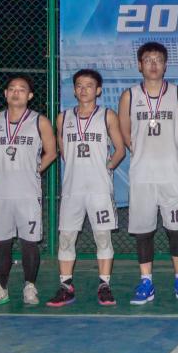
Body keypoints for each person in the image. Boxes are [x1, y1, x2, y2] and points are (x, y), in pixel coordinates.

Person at [118, 41, 178, 304]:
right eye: (148, 60)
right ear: (140, 65)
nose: (153, 64)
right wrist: (140, 151)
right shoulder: (129, 96)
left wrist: (171, 151)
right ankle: (146, 282)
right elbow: (124, 131)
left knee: (176, 229)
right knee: (143, 231)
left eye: (158, 60)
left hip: (170, 173)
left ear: (165, 65)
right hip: (142, 174)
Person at [46, 69, 126, 307]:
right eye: (79, 85)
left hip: (99, 189)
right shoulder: (63, 118)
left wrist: (107, 167)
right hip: (73, 189)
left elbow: (120, 149)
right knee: (66, 237)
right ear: (74, 90)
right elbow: (63, 150)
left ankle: (104, 285)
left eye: (89, 85)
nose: (83, 90)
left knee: (102, 237)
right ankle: (66, 286)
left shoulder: (107, 116)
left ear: (98, 90)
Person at [0, 75, 57, 306]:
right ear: (5, 94)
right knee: (2, 243)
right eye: (12, 89)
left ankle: (29, 287)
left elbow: (51, 152)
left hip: (28, 194)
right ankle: (0, 288)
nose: (16, 93)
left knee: (29, 242)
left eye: (21, 89)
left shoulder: (39, 121)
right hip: (1, 193)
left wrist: (33, 170)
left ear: (30, 95)